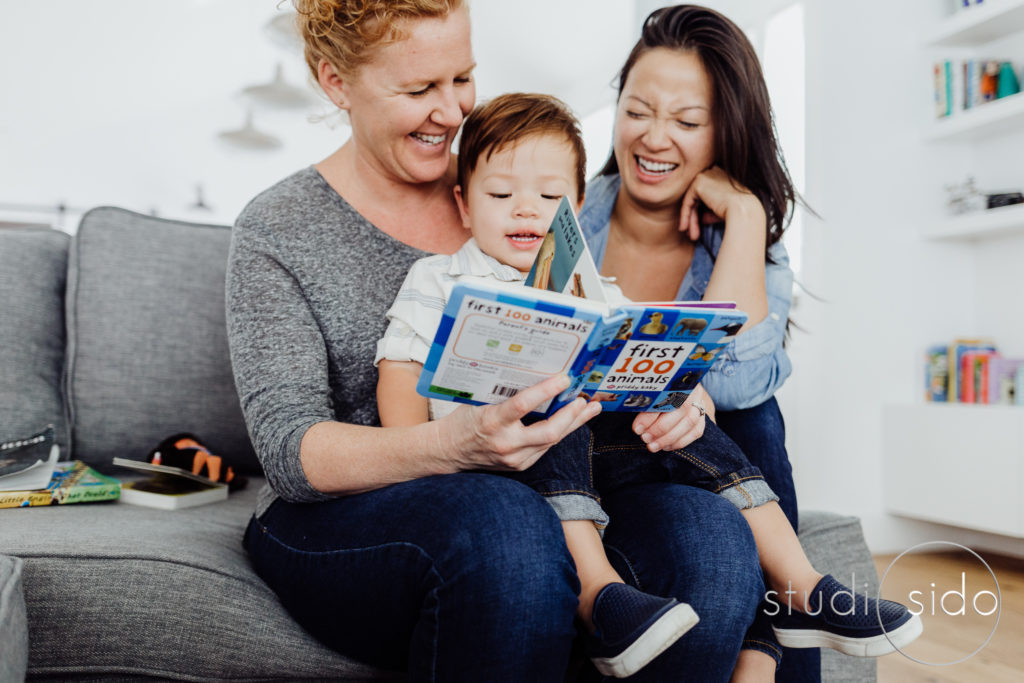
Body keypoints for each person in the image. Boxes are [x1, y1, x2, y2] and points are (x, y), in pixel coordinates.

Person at [226, 1, 765, 681]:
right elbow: (286, 448)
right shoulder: (278, 228)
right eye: (419, 89)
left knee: (711, 539)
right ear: (336, 83)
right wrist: (446, 446)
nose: (451, 112)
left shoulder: (521, 182)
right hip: (349, 511)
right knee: (506, 524)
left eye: (462, 78)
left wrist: (679, 397)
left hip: (548, 475)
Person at [375, 92, 922, 680]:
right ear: (463, 203)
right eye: (501, 195)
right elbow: (400, 373)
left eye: (549, 197)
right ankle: (598, 595)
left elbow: (665, 365)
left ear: (576, 205)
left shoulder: (599, 292)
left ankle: (802, 585)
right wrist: (425, 455)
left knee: (687, 415)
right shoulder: (438, 279)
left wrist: (685, 396)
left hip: (600, 463)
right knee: (551, 395)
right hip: (489, 462)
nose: (525, 211)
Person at [577, 5, 860, 681]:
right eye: (638, 110)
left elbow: (746, 377)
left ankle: (764, 647)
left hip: (685, 465)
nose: (654, 137)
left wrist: (746, 215)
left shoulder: (746, 240)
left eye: (686, 120)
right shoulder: (565, 216)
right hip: (584, 464)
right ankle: (776, 631)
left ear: (722, 132)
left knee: (755, 413)